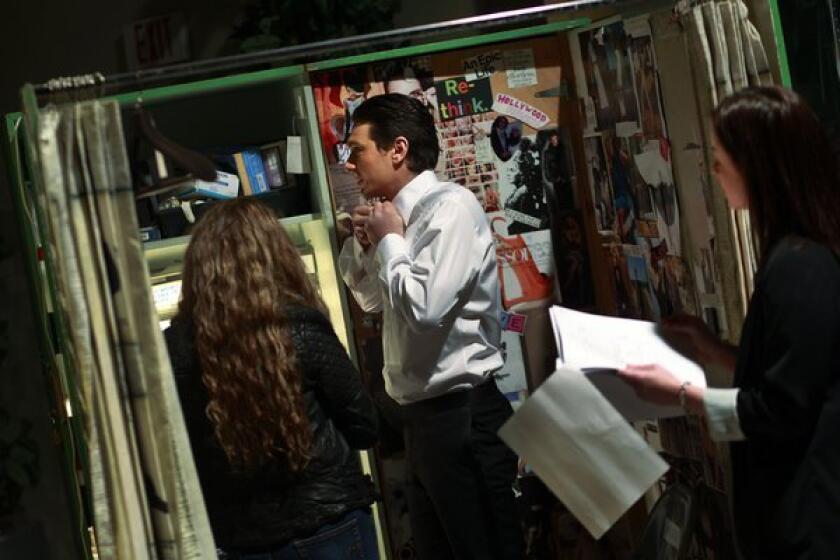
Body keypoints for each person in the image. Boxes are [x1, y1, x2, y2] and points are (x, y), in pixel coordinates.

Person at [618, 86, 840, 559]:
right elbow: (789, 374)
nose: (713, 170)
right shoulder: (790, 253)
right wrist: (711, 346)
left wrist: (681, 395)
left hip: (811, 525)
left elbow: (783, 410)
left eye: (720, 157)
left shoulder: (802, 264)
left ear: (758, 166)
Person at [338, 93, 525, 560]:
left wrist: (391, 242)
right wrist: (370, 245)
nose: (348, 165)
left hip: (462, 417)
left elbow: (424, 310)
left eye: (356, 149)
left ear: (396, 150)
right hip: (422, 422)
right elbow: (371, 300)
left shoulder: (450, 207)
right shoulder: (394, 218)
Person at [164, 198, 379, 559]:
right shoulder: (303, 328)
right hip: (331, 523)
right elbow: (364, 428)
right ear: (275, 256)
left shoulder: (176, 349)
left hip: (244, 541)